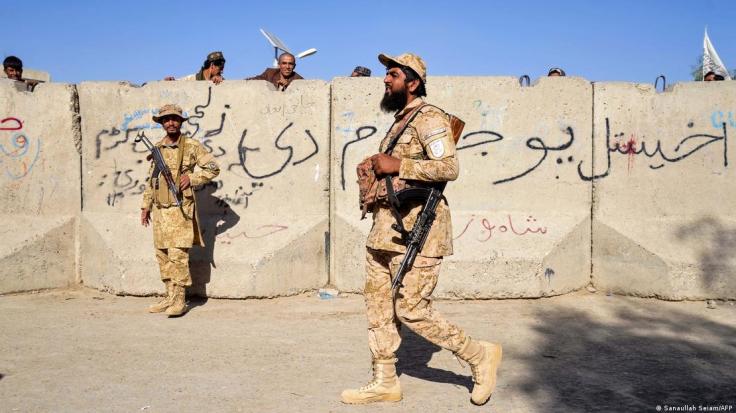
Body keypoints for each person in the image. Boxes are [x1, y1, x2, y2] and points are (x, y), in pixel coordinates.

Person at [340, 53, 502, 406]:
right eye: (386, 74)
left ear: (412, 83)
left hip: (419, 230)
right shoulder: (400, 121)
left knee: (412, 308)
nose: (386, 80)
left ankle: (478, 355)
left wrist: (398, 164)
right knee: (379, 307)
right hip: (385, 229)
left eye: (393, 75)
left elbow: (448, 167)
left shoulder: (429, 118)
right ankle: (385, 381)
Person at [140, 104, 220, 316]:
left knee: (177, 256)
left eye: (174, 119)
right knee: (163, 255)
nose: (171, 123)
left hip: (180, 210)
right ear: (162, 123)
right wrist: (145, 206)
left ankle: (179, 300)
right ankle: (169, 296)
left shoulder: (191, 146)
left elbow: (213, 168)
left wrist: (192, 178)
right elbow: (151, 180)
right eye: (166, 120)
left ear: (180, 122)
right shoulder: (158, 147)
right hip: (160, 211)